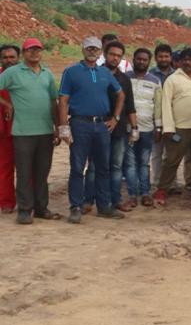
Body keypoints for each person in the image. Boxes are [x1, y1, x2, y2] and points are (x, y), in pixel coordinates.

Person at [57, 36, 126, 223]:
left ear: (100, 51)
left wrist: (116, 118)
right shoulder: (71, 71)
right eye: (89, 48)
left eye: (96, 49)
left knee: (103, 167)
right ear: (82, 49)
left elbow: (120, 94)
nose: (92, 51)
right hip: (80, 124)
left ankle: (104, 206)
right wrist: (63, 127)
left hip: (102, 126)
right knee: (78, 167)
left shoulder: (105, 73)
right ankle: (76, 207)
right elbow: (63, 100)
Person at [0, 38, 61, 223]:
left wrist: (58, 127)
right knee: (25, 173)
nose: (34, 53)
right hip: (22, 132)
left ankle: (41, 208)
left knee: (42, 173)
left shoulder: (47, 74)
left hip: (45, 131)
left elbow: (53, 102)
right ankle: (25, 211)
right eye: (30, 50)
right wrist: (6, 104)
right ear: (24, 53)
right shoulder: (12, 72)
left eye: (37, 50)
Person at [85, 41, 137, 213]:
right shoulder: (95, 74)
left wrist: (134, 128)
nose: (115, 58)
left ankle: (115, 200)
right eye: (112, 54)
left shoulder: (125, 79)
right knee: (94, 166)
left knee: (116, 166)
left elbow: (130, 105)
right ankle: (88, 201)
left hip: (119, 129)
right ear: (104, 55)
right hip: (97, 127)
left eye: (118, 55)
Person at [154, 47, 191, 206]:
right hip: (179, 128)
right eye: (185, 59)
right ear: (180, 61)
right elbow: (165, 104)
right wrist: (168, 128)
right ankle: (162, 190)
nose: (188, 62)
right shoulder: (172, 79)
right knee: (172, 161)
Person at [124, 48, 161, 207]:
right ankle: (132, 195)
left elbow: (158, 106)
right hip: (127, 129)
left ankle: (145, 193)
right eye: (138, 59)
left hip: (147, 129)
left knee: (144, 163)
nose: (141, 62)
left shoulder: (155, 81)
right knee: (130, 164)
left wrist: (158, 127)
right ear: (133, 59)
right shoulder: (125, 78)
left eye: (144, 60)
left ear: (149, 62)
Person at [0, 44, 17, 213]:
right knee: (4, 168)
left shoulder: (24, 76)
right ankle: (6, 202)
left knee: (28, 169)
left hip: (25, 130)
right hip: (3, 131)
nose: (9, 60)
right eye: (5, 57)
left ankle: (29, 201)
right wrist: (6, 104)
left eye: (12, 57)